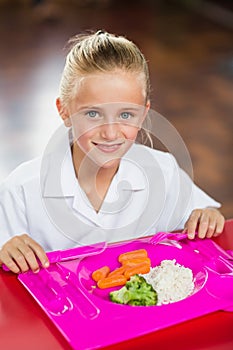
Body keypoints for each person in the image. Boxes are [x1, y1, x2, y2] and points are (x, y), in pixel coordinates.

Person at [0, 30, 225, 274]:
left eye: (126, 115)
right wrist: (6, 250)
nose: (109, 133)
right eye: (92, 114)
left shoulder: (162, 170)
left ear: (144, 113)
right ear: (64, 111)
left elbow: (203, 215)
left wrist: (206, 217)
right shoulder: (22, 189)